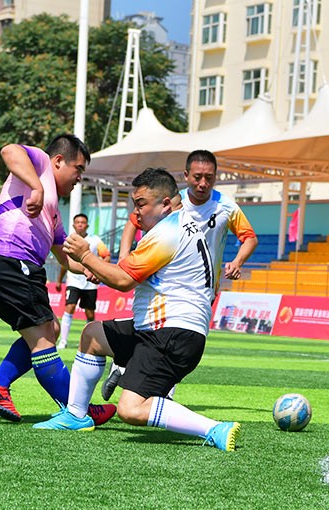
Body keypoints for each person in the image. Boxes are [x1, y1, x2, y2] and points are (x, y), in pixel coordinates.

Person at [33, 168, 241, 452]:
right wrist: (97, 267)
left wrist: (85, 256)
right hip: (163, 328)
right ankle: (76, 415)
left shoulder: (167, 232)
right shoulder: (183, 224)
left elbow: (123, 281)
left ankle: (214, 428)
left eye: (141, 204)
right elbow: (125, 273)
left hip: (170, 334)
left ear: (165, 203)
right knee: (93, 335)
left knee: (130, 409)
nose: (136, 212)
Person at [0, 135, 115, 426]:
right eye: (78, 169)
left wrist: (91, 267)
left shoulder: (54, 214)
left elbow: (66, 259)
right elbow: (9, 150)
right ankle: (79, 409)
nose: (79, 178)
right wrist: (36, 186)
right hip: (10, 260)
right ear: (59, 161)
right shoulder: (41, 165)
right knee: (45, 338)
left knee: (50, 328)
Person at [103, 149, 258, 399]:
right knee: (160, 327)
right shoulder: (170, 200)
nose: (203, 183)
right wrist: (123, 256)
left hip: (202, 285)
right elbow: (134, 220)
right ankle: (150, 388)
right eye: (197, 177)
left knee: (171, 333)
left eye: (209, 177)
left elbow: (249, 237)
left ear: (216, 177)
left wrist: (237, 261)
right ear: (186, 175)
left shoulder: (227, 207)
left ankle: (130, 369)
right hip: (164, 272)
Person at [55, 213, 111, 350]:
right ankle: (63, 341)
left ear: (87, 225)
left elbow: (106, 256)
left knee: (90, 313)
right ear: (73, 225)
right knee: (70, 307)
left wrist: (98, 270)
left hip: (90, 283)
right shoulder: (69, 240)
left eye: (83, 222)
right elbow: (64, 262)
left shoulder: (95, 240)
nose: (80, 224)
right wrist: (59, 280)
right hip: (73, 281)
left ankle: (90, 340)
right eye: (78, 222)